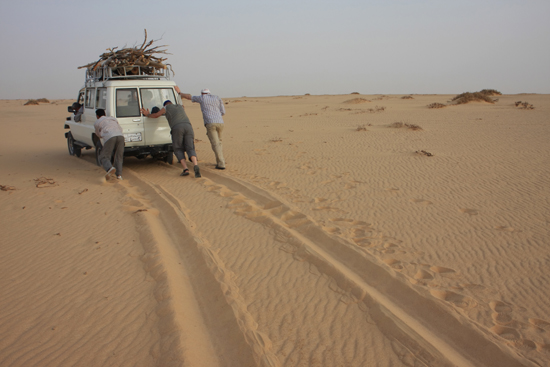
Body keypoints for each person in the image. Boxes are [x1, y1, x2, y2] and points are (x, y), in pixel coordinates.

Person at [140, 101, 201, 178]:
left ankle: (185, 169)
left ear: (165, 105)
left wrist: (147, 114)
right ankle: (195, 165)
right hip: (188, 126)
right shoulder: (180, 106)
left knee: (178, 148)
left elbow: (156, 115)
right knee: (190, 147)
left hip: (177, 127)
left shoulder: (166, 108)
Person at [176, 87, 226, 170]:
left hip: (210, 123)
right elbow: (223, 112)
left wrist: (180, 93)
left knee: (215, 144)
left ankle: (221, 163)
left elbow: (189, 96)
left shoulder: (202, 98)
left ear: (202, 93)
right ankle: (219, 160)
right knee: (219, 142)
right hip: (220, 122)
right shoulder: (217, 97)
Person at [94, 109, 125, 181]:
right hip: (120, 136)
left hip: (110, 137)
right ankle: (119, 176)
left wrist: (103, 136)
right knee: (119, 156)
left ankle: (109, 168)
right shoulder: (112, 119)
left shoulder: (97, 122)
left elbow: (98, 134)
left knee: (104, 156)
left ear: (97, 116)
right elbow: (120, 128)